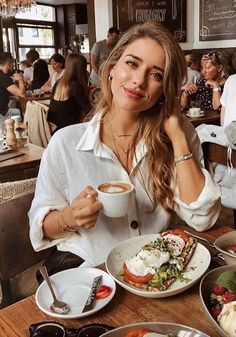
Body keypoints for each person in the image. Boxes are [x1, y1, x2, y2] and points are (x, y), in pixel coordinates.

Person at [29, 22, 220, 272]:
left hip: (158, 273)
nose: (139, 80)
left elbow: (203, 218)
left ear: (163, 90)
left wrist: (177, 132)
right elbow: (41, 228)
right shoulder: (65, 143)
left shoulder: (177, 136)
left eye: (156, 75)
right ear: (111, 68)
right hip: (93, 276)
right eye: (132, 63)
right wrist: (69, 217)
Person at [47, 53, 92, 132]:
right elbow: (89, 110)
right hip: (69, 130)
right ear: (81, 68)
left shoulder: (59, 82)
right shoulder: (74, 86)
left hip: (55, 129)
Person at [0, 52, 25, 118]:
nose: (13, 66)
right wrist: (20, 79)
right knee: (18, 112)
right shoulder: (3, 77)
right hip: (2, 113)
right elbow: (22, 94)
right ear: (8, 64)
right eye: (13, 64)